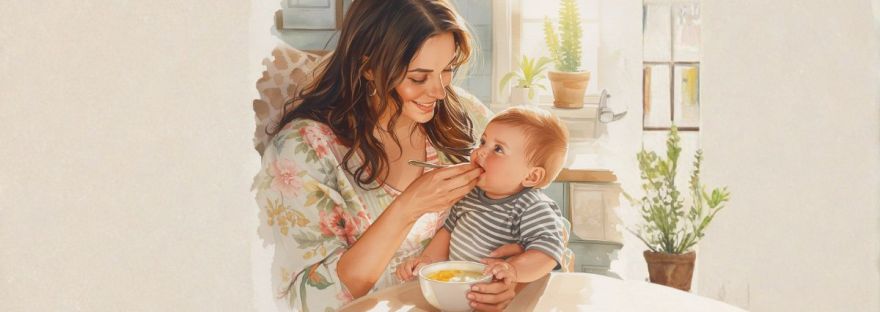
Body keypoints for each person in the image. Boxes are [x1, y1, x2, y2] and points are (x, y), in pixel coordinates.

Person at [253, 0, 521, 310]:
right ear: (368, 66)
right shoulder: (303, 150)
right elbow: (306, 300)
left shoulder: (465, 118)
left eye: (446, 70)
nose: (439, 91)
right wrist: (408, 207)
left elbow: (529, 211)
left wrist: (513, 273)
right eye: (418, 77)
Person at [396, 106, 570, 288]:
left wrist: (513, 270)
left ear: (531, 177)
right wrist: (426, 263)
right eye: (483, 142)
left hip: (504, 298)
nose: (481, 151)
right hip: (461, 287)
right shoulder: (470, 194)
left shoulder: (532, 207)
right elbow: (447, 233)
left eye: (498, 149)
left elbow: (548, 252)